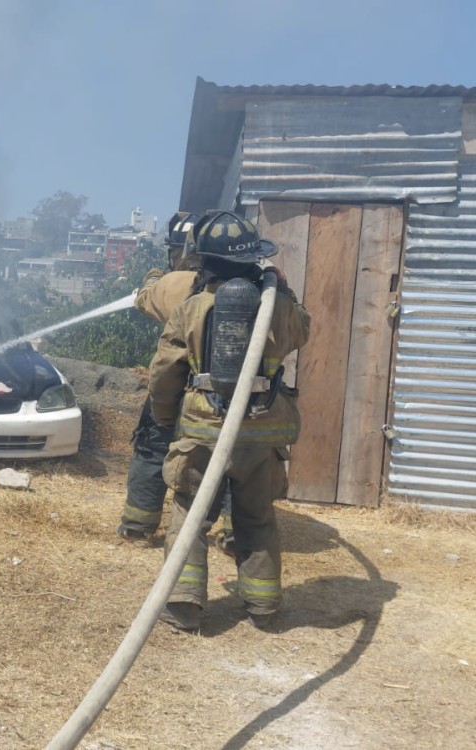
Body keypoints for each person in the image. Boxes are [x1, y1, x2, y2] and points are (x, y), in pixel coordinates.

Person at [147, 210, 311, 632]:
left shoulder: (192, 309)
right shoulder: (280, 308)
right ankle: (263, 606)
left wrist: (168, 421)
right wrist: (284, 288)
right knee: (256, 516)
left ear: (203, 262)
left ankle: (183, 605)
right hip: (263, 434)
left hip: (204, 431)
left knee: (190, 514)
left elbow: (165, 373)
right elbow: (303, 331)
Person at [119, 211, 215, 544]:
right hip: (229, 395)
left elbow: (146, 299)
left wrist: (152, 278)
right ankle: (231, 532)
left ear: (182, 249)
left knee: (152, 444)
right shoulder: (243, 287)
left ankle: (138, 525)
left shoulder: (177, 283)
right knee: (230, 457)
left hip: (178, 386)